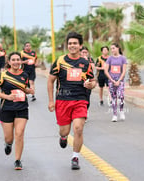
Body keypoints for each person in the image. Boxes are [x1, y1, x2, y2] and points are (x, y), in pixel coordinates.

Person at [47, 32, 96, 170]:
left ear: (80, 46)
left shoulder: (85, 63)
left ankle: (75, 157)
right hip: (63, 100)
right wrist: (51, 101)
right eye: (70, 43)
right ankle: (63, 137)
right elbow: (50, 81)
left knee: (78, 128)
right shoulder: (60, 61)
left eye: (75, 43)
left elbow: (93, 81)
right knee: (65, 131)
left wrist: (90, 85)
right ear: (67, 45)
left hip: (80, 99)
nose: (72, 45)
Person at [0, 52, 34, 170]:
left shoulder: (25, 75)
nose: (16, 62)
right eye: (13, 60)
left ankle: (17, 160)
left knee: (20, 134)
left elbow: (24, 89)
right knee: (9, 137)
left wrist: (29, 91)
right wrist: (7, 97)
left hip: (22, 108)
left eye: (18, 60)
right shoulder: (3, 75)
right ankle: (8, 144)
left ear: (20, 62)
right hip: (7, 108)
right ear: (9, 62)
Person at [104, 43, 127, 122]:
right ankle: (114, 115)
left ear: (117, 48)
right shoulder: (110, 58)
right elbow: (106, 70)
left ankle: (121, 111)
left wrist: (119, 80)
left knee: (121, 96)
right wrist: (112, 80)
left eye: (113, 48)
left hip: (120, 81)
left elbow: (124, 71)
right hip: (111, 81)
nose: (112, 50)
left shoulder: (123, 58)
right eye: (111, 49)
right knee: (113, 98)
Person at [80, 46, 95, 122]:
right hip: (79, 83)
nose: (84, 53)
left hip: (87, 82)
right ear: (80, 53)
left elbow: (92, 68)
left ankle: (86, 111)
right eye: (83, 52)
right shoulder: (77, 60)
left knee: (87, 99)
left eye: (86, 52)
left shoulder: (90, 60)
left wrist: (87, 62)